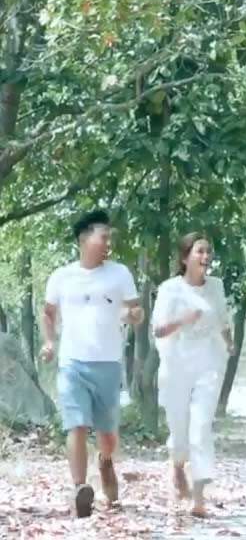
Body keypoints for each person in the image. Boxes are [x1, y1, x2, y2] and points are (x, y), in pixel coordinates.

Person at [40, 210, 144, 518]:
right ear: (84, 238)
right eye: (104, 236)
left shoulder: (119, 274)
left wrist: (135, 315)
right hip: (71, 362)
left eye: (110, 237)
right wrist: (49, 341)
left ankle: (105, 461)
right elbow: (48, 312)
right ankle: (79, 488)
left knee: (107, 434)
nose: (108, 242)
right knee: (76, 424)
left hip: (109, 364)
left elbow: (134, 310)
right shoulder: (61, 276)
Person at [151, 232, 236, 517]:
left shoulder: (216, 286)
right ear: (185, 257)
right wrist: (183, 320)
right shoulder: (169, 289)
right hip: (177, 360)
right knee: (179, 429)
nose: (206, 257)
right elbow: (158, 330)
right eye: (200, 251)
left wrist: (229, 341)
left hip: (209, 361)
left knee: (200, 428)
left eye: (208, 251)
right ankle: (177, 465)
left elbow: (222, 318)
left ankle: (199, 499)